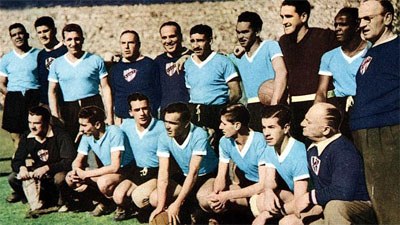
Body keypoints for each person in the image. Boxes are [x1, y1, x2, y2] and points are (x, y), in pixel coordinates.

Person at [280, 103, 377, 224]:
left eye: (308, 122)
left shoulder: (343, 150)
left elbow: (343, 192)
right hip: (327, 209)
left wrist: (309, 197)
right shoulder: (312, 148)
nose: (302, 124)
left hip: (355, 208)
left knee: (334, 207)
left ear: (325, 130)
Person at [350, 0, 399, 223]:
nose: (361, 24)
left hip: (388, 134)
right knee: (377, 203)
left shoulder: (397, 48)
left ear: (387, 18)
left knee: (391, 205)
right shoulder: (371, 53)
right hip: (365, 134)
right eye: (360, 19)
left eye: (368, 18)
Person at [279, 0, 338, 146]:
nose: (284, 21)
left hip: (321, 105)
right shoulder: (283, 41)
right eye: (282, 17)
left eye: (288, 16)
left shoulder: (323, 36)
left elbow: (351, 43)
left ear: (303, 16)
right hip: (294, 108)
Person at [149, 102, 218, 225]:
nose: (167, 127)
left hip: (207, 175)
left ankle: (213, 217)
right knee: (155, 198)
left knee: (205, 199)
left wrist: (177, 203)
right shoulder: (164, 137)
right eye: (166, 121)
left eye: (173, 123)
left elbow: (194, 172)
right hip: (185, 175)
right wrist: (160, 206)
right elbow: (163, 173)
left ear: (186, 124)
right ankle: (184, 214)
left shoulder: (199, 135)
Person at [197, 104, 267, 224]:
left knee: (256, 203)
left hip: (264, 188)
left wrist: (226, 195)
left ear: (237, 125)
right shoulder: (224, 141)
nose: (220, 127)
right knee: (205, 197)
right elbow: (221, 176)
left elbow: (263, 185)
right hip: (245, 184)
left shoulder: (260, 141)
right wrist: (216, 196)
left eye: (224, 124)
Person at [48, 23, 113, 142]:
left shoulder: (95, 60)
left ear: (82, 39)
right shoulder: (57, 64)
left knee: (100, 146)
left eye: (77, 39)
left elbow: (105, 87)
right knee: (73, 149)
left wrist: (109, 116)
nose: (73, 43)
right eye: (69, 39)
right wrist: (56, 116)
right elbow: (52, 91)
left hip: (93, 104)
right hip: (69, 108)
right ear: (63, 41)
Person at [64, 106, 134, 216]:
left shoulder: (115, 132)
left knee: (103, 182)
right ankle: (106, 202)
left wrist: (86, 174)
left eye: (84, 125)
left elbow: (115, 167)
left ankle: (121, 205)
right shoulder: (87, 135)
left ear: (97, 124)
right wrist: (75, 171)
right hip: (109, 171)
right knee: (70, 178)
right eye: (80, 125)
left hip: (126, 171)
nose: (81, 129)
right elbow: (78, 159)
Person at [8, 106, 75, 217]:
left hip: (57, 171)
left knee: (60, 178)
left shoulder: (60, 135)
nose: (32, 127)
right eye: (30, 122)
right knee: (12, 178)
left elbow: (69, 161)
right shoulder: (27, 136)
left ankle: (63, 201)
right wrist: (22, 168)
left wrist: (47, 168)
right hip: (39, 174)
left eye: (37, 123)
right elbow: (17, 160)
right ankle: (32, 198)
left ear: (46, 122)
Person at [314, 7, 368, 140]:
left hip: (366, 107)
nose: (337, 28)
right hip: (342, 111)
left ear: (357, 26)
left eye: (343, 24)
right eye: (335, 25)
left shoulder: (372, 50)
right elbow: (321, 91)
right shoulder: (329, 57)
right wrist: (316, 115)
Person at [184, 24, 242, 148]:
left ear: (210, 40)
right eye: (193, 41)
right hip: (195, 112)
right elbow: (191, 90)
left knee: (218, 149)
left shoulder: (223, 61)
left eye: (200, 40)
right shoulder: (188, 64)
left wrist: (222, 108)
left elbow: (236, 92)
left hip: (216, 112)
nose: (195, 45)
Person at [251, 104, 309, 225]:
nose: (266, 133)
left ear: (286, 128)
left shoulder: (298, 153)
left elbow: (300, 201)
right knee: (260, 200)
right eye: (264, 128)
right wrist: (268, 191)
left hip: (311, 201)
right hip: (294, 197)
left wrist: (265, 215)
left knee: (285, 222)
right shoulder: (270, 147)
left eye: (271, 127)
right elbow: (269, 180)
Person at [230, 11, 287, 132]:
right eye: (238, 32)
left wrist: (274, 105)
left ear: (257, 31)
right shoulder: (236, 57)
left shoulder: (270, 46)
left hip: (273, 104)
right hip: (251, 109)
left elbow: (281, 72)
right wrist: (186, 57)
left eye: (245, 32)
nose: (240, 36)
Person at [112, 93, 164, 221]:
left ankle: (156, 208)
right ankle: (132, 208)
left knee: (139, 197)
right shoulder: (126, 126)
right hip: (138, 170)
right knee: (118, 196)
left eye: (145, 108)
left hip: (156, 172)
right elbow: (109, 132)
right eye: (137, 110)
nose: (142, 113)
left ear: (150, 108)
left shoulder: (162, 127)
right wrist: (88, 133)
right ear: (130, 112)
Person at [0, 23, 40, 151]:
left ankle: (35, 166)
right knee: (16, 136)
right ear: (11, 38)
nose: (18, 37)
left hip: (34, 96)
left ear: (27, 35)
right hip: (14, 97)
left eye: (20, 33)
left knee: (35, 134)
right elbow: (1, 83)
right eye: (14, 35)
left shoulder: (38, 55)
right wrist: (11, 95)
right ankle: (19, 167)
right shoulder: (6, 59)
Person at [110, 30, 161, 122]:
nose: (126, 47)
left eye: (131, 43)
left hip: (146, 118)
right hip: (123, 120)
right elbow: (113, 94)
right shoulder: (115, 69)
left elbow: (158, 91)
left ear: (138, 45)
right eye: (123, 43)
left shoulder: (150, 65)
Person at [154, 21, 191, 112]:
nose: (168, 41)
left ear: (181, 37)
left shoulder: (194, 57)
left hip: (188, 113)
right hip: (166, 115)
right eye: (164, 37)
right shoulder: (158, 61)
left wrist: (190, 57)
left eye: (172, 36)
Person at [34, 16, 68, 107]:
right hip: (45, 104)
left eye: (46, 31)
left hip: (65, 104)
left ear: (55, 30)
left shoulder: (66, 51)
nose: (43, 35)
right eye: (39, 32)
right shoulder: (40, 55)